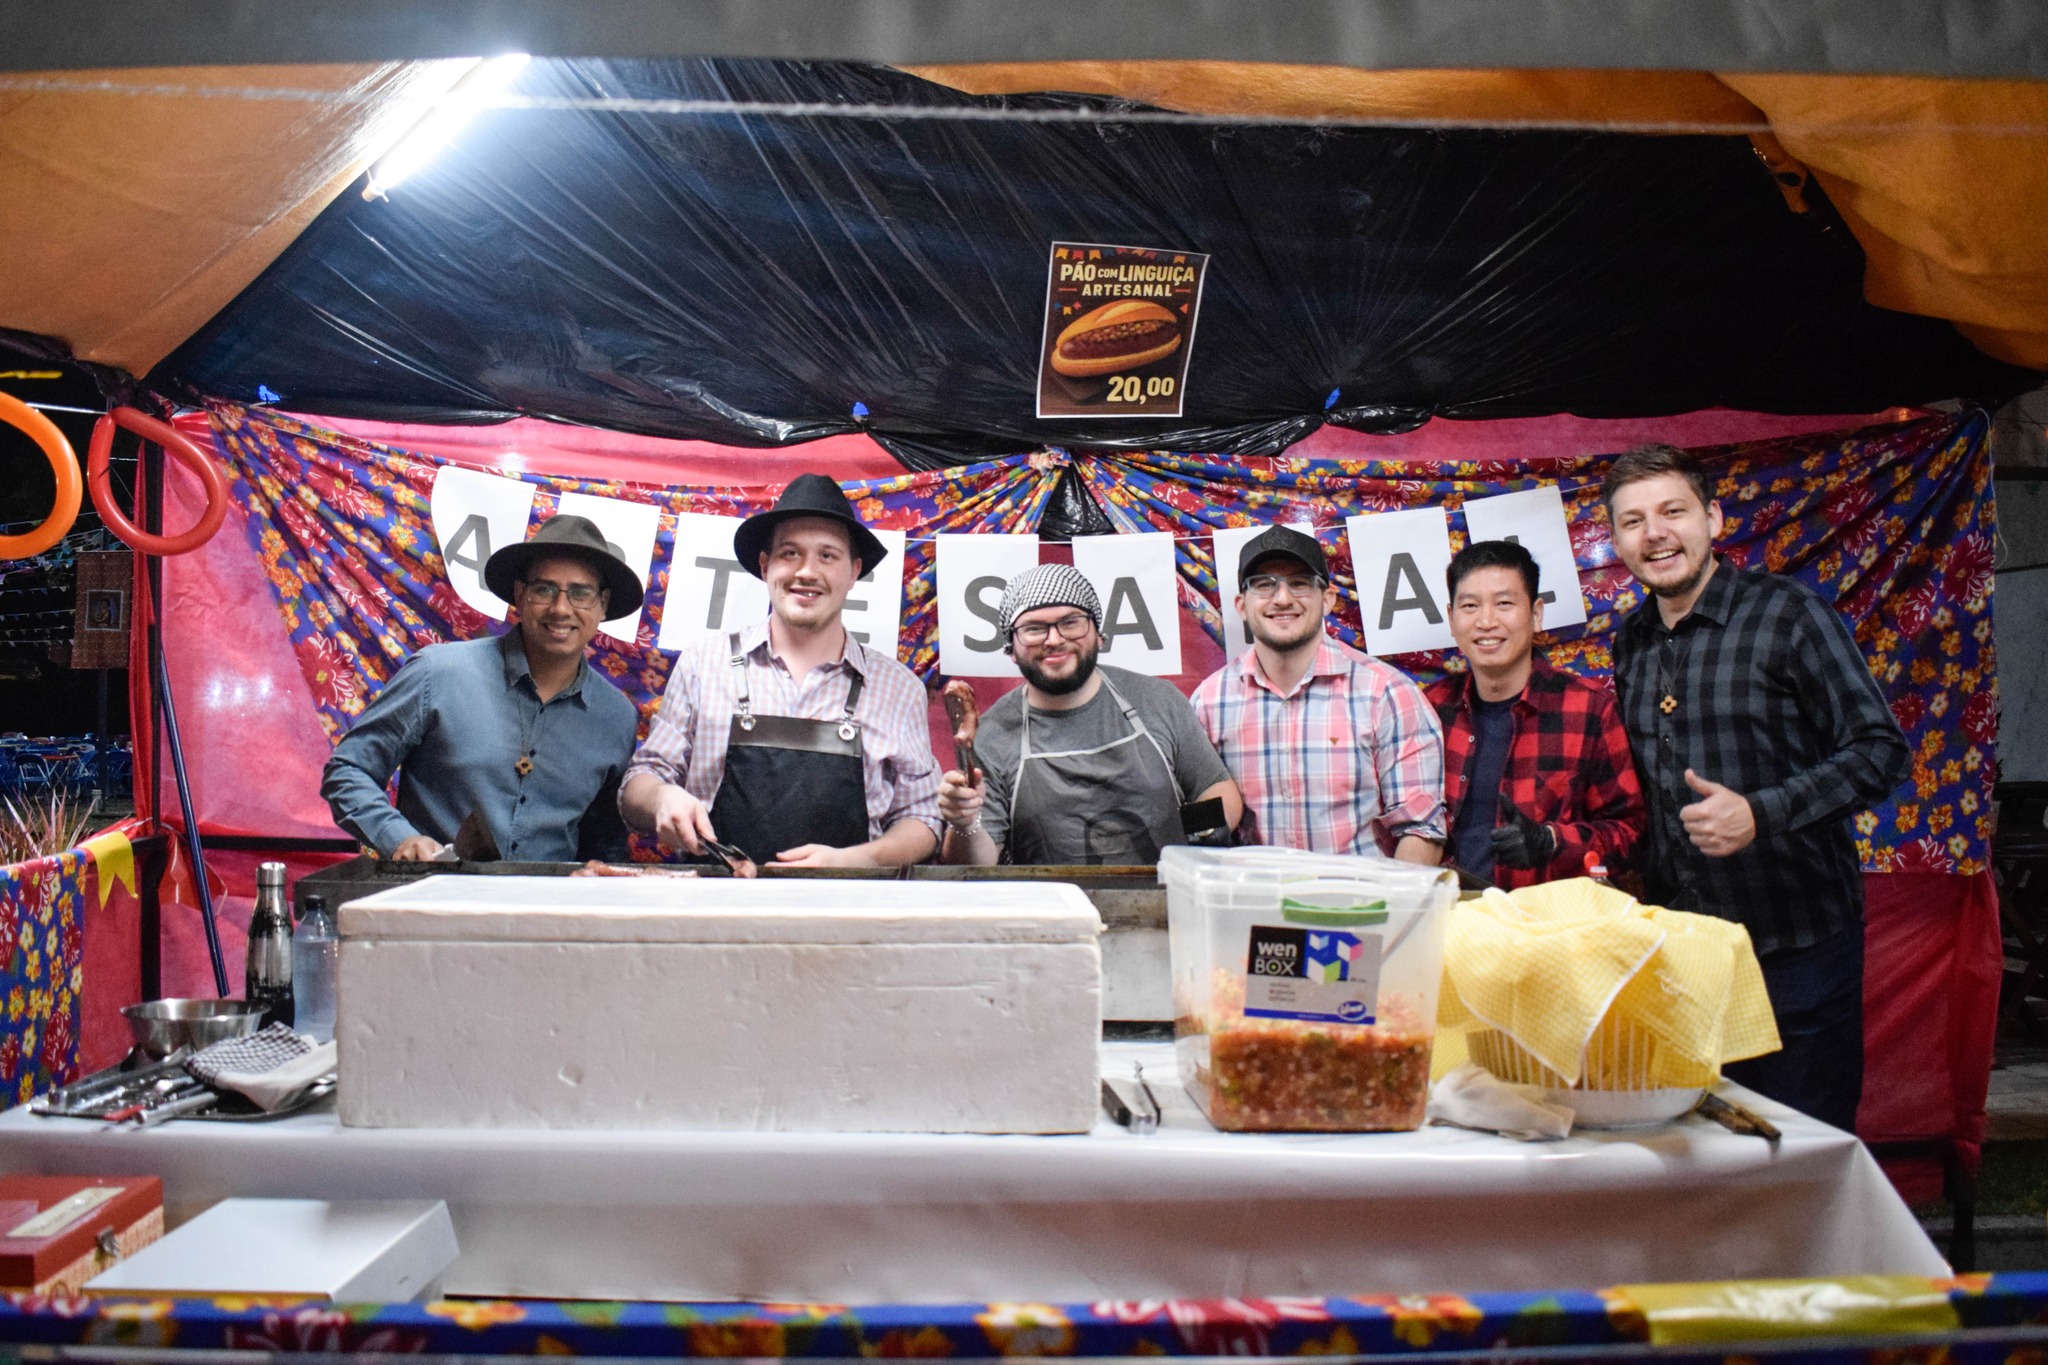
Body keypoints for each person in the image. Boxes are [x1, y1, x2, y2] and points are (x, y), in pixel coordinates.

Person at [1606, 442, 1909, 1131]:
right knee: (1704, 1150)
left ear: (1713, 518)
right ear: (1617, 542)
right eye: (1633, 521)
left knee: (1800, 1149)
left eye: (1672, 511)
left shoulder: (1789, 614)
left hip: (1796, 950)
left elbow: (1881, 751)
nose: (1654, 533)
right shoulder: (1631, 642)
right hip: (1688, 956)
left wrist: (1761, 813)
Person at [620, 474, 939, 868]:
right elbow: (639, 786)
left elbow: (924, 817)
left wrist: (858, 860)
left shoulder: (899, 688)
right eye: (790, 553)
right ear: (765, 565)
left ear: (854, 572)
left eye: (827, 556)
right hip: (714, 900)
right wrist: (661, 797)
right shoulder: (704, 664)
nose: (807, 571)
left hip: (850, 902)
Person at [322, 513, 641, 862]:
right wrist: (399, 838)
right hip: (434, 891)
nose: (561, 608)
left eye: (580, 593)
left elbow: (605, 847)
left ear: (602, 605)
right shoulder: (438, 673)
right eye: (544, 589)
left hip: (549, 898)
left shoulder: (617, 718)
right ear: (520, 594)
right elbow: (348, 771)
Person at [937, 562, 1240, 866]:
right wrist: (965, 824)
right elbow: (976, 866)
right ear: (1011, 649)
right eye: (1034, 629)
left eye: (1071, 622)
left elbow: (1216, 788)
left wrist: (1191, 850)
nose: (1054, 639)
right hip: (1050, 897)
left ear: (1099, 635)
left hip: (1166, 892)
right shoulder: (991, 736)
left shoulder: (1159, 701)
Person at [1190, 525, 1446, 863]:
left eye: (1299, 583)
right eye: (1264, 584)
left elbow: (1422, 830)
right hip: (1251, 894)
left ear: (1327, 600)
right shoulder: (1209, 703)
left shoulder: (1387, 693)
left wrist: (1391, 899)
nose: (1283, 598)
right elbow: (1196, 827)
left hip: (1361, 893)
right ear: (1241, 605)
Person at [1427, 539, 1644, 889]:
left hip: (1548, 916)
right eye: (1470, 606)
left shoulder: (1589, 708)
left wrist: (1552, 842)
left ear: (1536, 614)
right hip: (1450, 911)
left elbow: (1631, 832)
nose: (1486, 621)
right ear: (1451, 619)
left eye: (1504, 603)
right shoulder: (1430, 710)